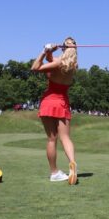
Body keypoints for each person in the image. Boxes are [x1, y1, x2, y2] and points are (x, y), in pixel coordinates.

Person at [31, 37, 78, 185]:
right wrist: (51, 52)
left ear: (64, 48)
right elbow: (56, 61)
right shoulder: (73, 66)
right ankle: (72, 163)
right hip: (62, 103)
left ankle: (54, 172)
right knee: (66, 138)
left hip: (49, 102)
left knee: (52, 139)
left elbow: (35, 68)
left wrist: (44, 51)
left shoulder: (57, 63)